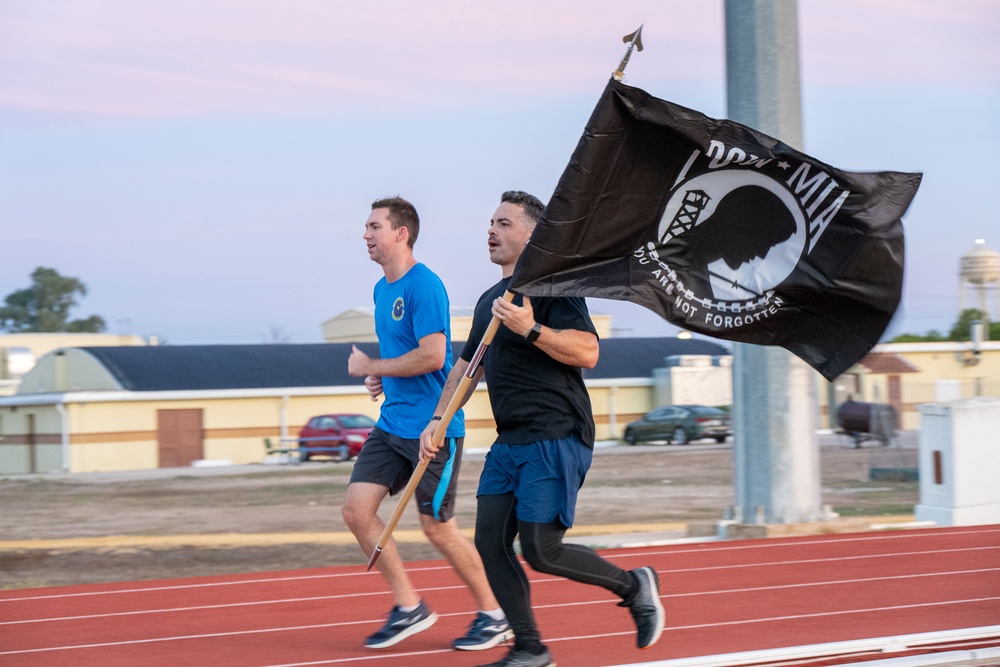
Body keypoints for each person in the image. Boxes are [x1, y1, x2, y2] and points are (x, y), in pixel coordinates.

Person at [420, 191, 665, 667]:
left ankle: (634, 585)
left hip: (557, 432)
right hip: (510, 441)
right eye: (491, 221)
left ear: (533, 235)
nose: (491, 230)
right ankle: (530, 648)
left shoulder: (555, 287)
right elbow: (466, 369)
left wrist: (532, 328)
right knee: (490, 544)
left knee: (541, 549)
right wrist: (437, 421)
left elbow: (588, 352)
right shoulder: (490, 301)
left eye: (505, 223)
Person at [343, 196, 512, 652]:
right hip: (392, 423)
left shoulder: (425, 286)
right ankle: (409, 607)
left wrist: (373, 363)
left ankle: (495, 615)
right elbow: (406, 354)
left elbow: (435, 355)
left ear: (401, 233)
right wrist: (381, 374)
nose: (366, 235)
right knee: (357, 511)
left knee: (437, 527)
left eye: (374, 226)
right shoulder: (382, 289)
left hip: (432, 431)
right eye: (366, 226)